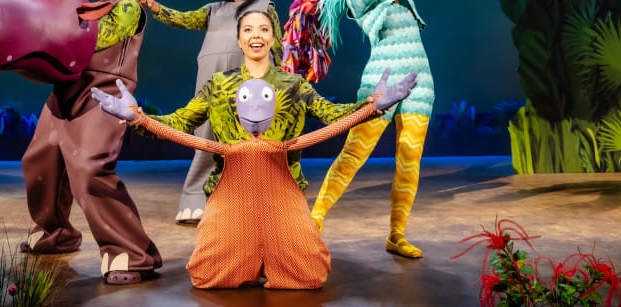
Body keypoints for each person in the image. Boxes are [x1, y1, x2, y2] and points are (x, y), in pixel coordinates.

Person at [92, 71, 418, 289]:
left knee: (309, 270)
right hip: (232, 206)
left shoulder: (284, 139)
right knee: (208, 269)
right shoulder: (227, 140)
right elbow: (179, 133)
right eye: (248, 29)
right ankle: (244, 263)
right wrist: (136, 117)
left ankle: (271, 263)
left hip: (282, 205)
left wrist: (375, 108)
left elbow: (332, 128)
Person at [288, 0, 466, 259]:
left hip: (420, 80)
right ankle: (313, 221)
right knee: (355, 153)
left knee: (410, 158)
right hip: (382, 81)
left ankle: (396, 235)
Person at [20, 0, 163, 286]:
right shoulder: (92, 5)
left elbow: (97, 38)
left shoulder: (129, 7)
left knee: (88, 168)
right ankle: (55, 232)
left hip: (103, 94)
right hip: (66, 90)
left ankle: (131, 252)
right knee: (41, 160)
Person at [132, 9, 369, 201]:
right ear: (239, 40)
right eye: (248, 30)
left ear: (273, 39)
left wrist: (371, 106)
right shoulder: (219, 84)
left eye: (263, 29)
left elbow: (332, 114)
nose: (256, 35)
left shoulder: (293, 84)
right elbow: (179, 121)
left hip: (283, 193)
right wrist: (140, 120)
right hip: (229, 193)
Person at [136, 0, 282, 223]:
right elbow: (184, 19)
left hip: (249, 73)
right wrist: (155, 6)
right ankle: (195, 198)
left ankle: (250, 200)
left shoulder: (264, 7)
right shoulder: (214, 9)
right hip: (211, 74)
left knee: (249, 133)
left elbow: (277, 43)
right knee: (206, 131)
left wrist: (279, 78)